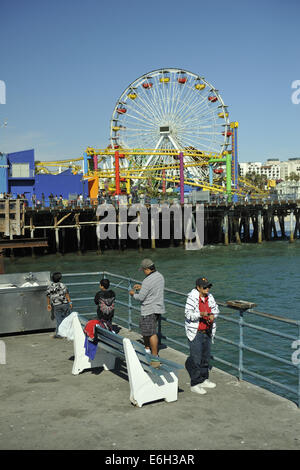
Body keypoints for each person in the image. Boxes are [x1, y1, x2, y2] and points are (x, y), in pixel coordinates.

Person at [184, 277, 219, 395]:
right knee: (196, 359)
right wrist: (201, 314)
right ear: (198, 288)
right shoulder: (192, 297)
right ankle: (195, 383)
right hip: (196, 333)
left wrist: (213, 315)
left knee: (206, 357)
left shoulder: (210, 297)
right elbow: (188, 314)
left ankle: (204, 379)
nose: (207, 288)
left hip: (208, 331)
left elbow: (216, 310)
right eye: (205, 287)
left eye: (208, 286)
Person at [129, 259, 165, 368]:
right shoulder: (160, 276)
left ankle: (154, 357)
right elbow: (154, 289)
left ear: (147, 269)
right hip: (158, 308)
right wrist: (142, 287)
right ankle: (147, 349)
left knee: (151, 333)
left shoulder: (147, 281)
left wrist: (132, 294)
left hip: (149, 309)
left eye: (143, 270)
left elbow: (140, 297)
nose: (143, 272)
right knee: (147, 330)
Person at [46, 272, 72, 338]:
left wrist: (48, 304)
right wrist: (70, 302)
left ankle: (59, 334)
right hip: (65, 304)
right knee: (66, 318)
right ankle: (68, 333)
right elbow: (67, 294)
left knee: (59, 320)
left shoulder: (50, 286)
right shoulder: (63, 285)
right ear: (60, 278)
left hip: (56, 305)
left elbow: (48, 296)